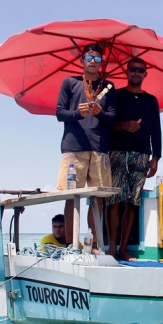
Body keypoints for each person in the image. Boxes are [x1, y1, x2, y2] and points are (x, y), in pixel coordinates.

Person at [56, 43, 117, 246]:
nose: (93, 62)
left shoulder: (108, 87)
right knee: (71, 196)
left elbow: (113, 118)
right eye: (89, 58)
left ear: (101, 63)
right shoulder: (70, 82)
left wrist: (100, 112)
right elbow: (59, 113)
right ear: (82, 60)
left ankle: (94, 244)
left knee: (98, 198)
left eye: (97, 59)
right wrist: (77, 113)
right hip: (73, 148)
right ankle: (71, 245)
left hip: (100, 148)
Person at [105, 57, 162, 261]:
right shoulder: (116, 95)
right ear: (127, 72)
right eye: (132, 69)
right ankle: (111, 248)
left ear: (145, 74)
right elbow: (106, 122)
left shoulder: (151, 101)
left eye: (140, 70)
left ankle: (123, 250)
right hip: (117, 153)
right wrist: (123, 125)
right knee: (113, 201)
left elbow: (156, 130)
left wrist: (155, 157)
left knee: (132, 202)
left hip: (140, 156)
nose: (136, 73)